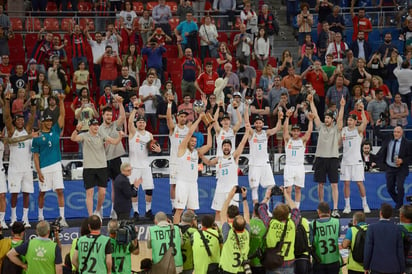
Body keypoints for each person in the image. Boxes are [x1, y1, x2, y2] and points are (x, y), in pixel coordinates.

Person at [70, 119, 123, 217]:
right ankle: (90, 215)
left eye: (97, 125)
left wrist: (120, 135)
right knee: (89, 192)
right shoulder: (84, 136)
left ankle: (98, 211)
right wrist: (76, 130)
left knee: (102, 192)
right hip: (89, 167)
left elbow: (114, 142)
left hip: (101, 167)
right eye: (94, 125)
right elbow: (73, 138)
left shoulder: (101, 136)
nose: (96, 127)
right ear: (89, 126)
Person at [32, 93, 68, 226]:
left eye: (50, 121)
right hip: (44, 167)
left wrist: (61, 101)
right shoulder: (37, 137)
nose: (48, 123)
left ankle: (62, 218)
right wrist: (38, 172)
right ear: (42, 122)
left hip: (56, 165)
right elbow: (35, 156)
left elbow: (62, 116)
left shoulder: (55, 130)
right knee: (42, 192)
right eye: (46, 121)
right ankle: (40, 216)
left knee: (60, 190)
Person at [201, 125, 249, 223]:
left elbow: (242, 143)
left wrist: (247, 131)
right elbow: (209, 163)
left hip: (232, 189)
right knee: (218, 211)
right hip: (220, 189)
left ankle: (234, 229)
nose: (226, 147)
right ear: (222, 147)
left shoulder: (234, 156)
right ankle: (219, 230)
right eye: (224, 146)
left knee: (233, 212)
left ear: (231, 148)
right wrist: (201, 155)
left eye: (228, 146)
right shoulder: (219, 159)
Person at [3, 91, 36, 228]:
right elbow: (6, 117)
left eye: (22, 119)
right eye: (18, 119)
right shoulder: (12, 131)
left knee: (27, 194)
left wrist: (33, 102)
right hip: (14, 169)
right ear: (15, 121)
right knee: (15, 194)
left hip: (27, 169)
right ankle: (13, 218)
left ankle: (25, 219)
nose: (21, 121)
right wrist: (6, 101)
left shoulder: (27, 130)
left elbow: (33, 117)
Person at [174, 109, 212, 224]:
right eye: (192, 141)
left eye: (195, 141)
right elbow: (190, 132)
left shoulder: (196, 152)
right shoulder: (182, 149)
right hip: (182, 182)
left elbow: (209, 145)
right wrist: (199, 118)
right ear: (187, 141)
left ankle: (193, 231)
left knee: (192, 211)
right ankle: (175, 232)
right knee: (179, 210)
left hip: (193, 183)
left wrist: (209, 130)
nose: (193, 143)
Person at [310, 93, 344, 218]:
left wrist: (342, 106)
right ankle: (321, 207)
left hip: (333, 158)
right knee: (321, 184)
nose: (326, 119)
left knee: (334, 184)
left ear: (332, 120)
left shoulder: (336, 128)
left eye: (328, 118)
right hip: (320, 158)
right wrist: (311, 101)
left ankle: (335, 209)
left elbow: (340, 119)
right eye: (325, 118)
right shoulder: (321, 127)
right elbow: (315, 115)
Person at [128, 102, 162, 220]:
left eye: (143, 122)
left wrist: (158, 150)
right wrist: (135, 109)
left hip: (146, 166)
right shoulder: (133, 132)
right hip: (135, 166)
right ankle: (136, 212)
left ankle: (148, 210)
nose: (141, 123)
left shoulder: (149, 135)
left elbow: (155, 148)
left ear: (146, 124)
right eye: (139, 122)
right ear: (136, 123)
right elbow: (129, 122)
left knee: (149, 189)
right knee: (134, 190)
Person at [244, 102, 282, 205]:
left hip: (265, 163)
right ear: (254, 124)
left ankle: (266, 208)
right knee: (254, 187)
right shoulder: (252, 133)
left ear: (262, 124)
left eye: (260, 122)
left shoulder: (266, 133)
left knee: (271, 186)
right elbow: (246, 122)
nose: (258, 124)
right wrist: (247, 108)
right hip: (254, 164)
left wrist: (279, 118)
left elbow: (277, 128)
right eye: (256, 123)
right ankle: (256, 211)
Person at [98, 95, 126, 219]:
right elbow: (108, 141)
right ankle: (100, 210)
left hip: (116, 158)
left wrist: (120, 103)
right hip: (103, 159)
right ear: (103, 116)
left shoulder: (115, 125)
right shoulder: (99, 129)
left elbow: (123, 117)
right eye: (107, 115)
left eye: (110, 115)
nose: (109, 117)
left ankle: (113, 210)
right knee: (102, 187)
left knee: (116, 185)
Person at [374, 121, 411, 210]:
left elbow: (410, 157)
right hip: (390, 167)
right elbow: (377, 134)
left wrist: (402, 160)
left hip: (401, 169)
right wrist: (377, 126)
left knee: (400, 186)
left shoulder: (407, 143)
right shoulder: (388, 138)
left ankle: (399, 206)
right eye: (394, 132)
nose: (395, 134)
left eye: (398, 132)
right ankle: (399, 203)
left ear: (402, 133)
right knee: (390, 188)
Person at [341, 106, 371, 214]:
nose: (349, 122)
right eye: (348, 120)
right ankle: (347, 206)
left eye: (351, 120)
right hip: (345, 161)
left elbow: (365, 122)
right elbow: (339, 142)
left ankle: (365, 204)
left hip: (357, 161)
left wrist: (362, 110)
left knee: (359, 183)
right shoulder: (344, 130)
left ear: (355, 121)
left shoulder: (358, 130)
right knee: (346, 184)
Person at [283, 108, 314, 210]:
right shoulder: (288, 139)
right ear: (292, 132)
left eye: (297, 131)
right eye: (294, 131)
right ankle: (288, 208)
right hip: (289, 166)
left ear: (299, 132)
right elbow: (284, 130)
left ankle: (296, 209)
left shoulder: (302, 140)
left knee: (298, 189)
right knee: (288, 190)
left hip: (299, 166)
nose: (295, 133)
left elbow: (309, 132)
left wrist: (310, 120)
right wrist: (287, 117)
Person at [364, 203, 405, 273]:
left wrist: (366, 267)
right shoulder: (397, 229)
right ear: (391, 214)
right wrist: (402, 269)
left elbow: (368, 249)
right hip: (393, 268)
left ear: (380, 213)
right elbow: (400, 250)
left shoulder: (371, 228)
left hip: (376, 267)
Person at [219, 186, 250, 274]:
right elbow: (247, 215)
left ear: (232, 226)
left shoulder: (228, 233)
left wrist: (229, 197)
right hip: (241, 270)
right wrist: (244, 198)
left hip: (228, 269)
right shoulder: (247, 232)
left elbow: (222, 214)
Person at [311, 202, 340, 273]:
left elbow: (311, 242)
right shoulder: (337, 222)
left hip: (319, 261)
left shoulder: (313, 223)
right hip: (334, 260)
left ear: (318, 211)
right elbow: (338, 235)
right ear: (330, 211)